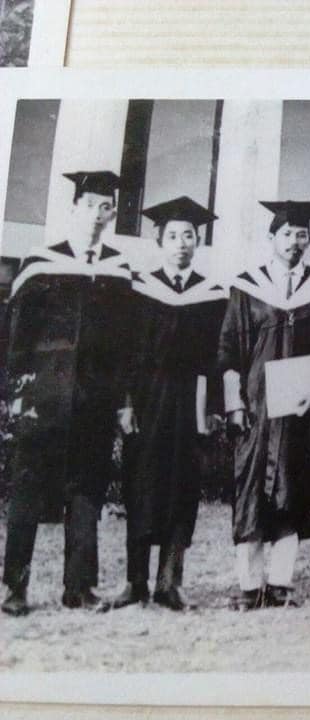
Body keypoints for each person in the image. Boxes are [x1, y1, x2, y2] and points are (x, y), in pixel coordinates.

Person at [2, 171, 136, 617]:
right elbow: (16, 336)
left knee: (87, 492)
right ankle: (15, 588)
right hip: (45, 397)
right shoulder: (40, 264)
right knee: (28, 492)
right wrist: (18, 392)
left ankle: (79, 587)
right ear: (75, 208)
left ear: (112, 214)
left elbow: (124, 344)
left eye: (106, 207)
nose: (98, 214)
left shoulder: (118, 270)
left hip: (94, 399)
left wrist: (122, 400)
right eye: (90, 204)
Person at [218, 200, 310, 610]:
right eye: (287, 234)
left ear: (309, 240)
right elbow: (228, 348)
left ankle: (280, 583)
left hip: (298, 407)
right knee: (251, 493)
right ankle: (249, 585)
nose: (294, 241)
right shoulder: (247, 287)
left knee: (292, 491)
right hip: (256, 408)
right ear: (271, 238)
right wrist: (235, 404)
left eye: (301, 234)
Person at [101, 197, 227, 612]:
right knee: (140, 486)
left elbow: (218, 357)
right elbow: (124, 353)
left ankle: (169, 583)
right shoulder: (138, 290)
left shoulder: (212, 295)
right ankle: (135, 582)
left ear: (197, 241)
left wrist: (213, 409)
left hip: (190, 401)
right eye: (172, 236)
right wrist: (125, 404)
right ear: (160, 241)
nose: (181, 243)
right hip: (148, 398)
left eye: (188, 236)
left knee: (183, 487)